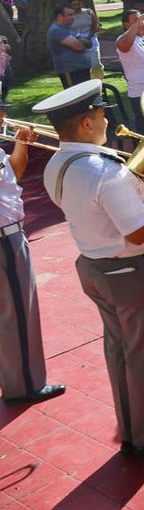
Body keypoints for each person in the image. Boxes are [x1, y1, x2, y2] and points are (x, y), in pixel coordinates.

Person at [35, 80, 144, 457]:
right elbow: (141, 232)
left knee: (122, 351)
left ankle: (136, 425)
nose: (107, 121)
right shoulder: (105, 171)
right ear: (85, 123)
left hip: (95, 266)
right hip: (133, 270)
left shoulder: (57, 164)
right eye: (101, 115)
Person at [0, 99, 66, 406]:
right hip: (4, 239)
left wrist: (21, 146)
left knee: (13, 311)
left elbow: (11, 174)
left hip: (10, 235)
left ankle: (16, 377)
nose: (4, 115)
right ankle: (24, 385)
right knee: (18, 313)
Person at [47, 4, 95, 88]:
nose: (73, 17)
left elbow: (90, 44)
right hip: (71, 71)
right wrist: (82, 41)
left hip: (82, 69)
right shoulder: (57, 30)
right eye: (70, 15)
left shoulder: (70, 29)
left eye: (73, 15)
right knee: (77, 94)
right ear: (60, 16)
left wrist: (82, 41)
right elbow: (79, 46)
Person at [67, 0, 102, 80]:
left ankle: (98, 81)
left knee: (96, 64)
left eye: (78, 4)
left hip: (91, 40)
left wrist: (88, 37)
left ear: (81, 3)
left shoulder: (89, 12)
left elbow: (95, 26)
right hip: (77, 42)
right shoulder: (68, 16)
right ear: (70, 5)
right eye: (74, 5)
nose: (77, 6)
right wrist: (78, 39)